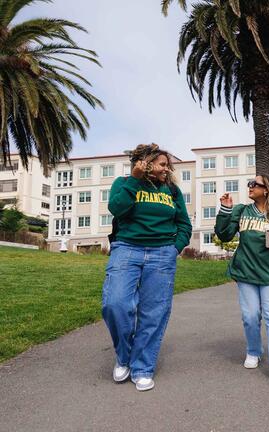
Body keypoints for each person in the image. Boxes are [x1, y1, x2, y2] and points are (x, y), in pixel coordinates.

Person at [101, 143, 192, 391]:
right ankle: (124, 355)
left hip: (162, 252)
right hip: (126, 249)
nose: (167, 169)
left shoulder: (171, 190)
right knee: (115, 304)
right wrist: (135, 180)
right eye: (162, 164)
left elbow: (184, 223)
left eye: (167, 165)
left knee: (154, 312)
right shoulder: (124, 183)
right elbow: (117, 209)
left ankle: (142, 367)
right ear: (146, 162)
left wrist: (175, 248)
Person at [215, 174, 269, 383]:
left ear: (266, 189)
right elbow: (224, 234)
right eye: (250, 183)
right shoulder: (242, 210)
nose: (249, 187)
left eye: (254, 184)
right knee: (250, 316)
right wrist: (225, 209)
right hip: (246, 273)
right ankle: (254, 351)